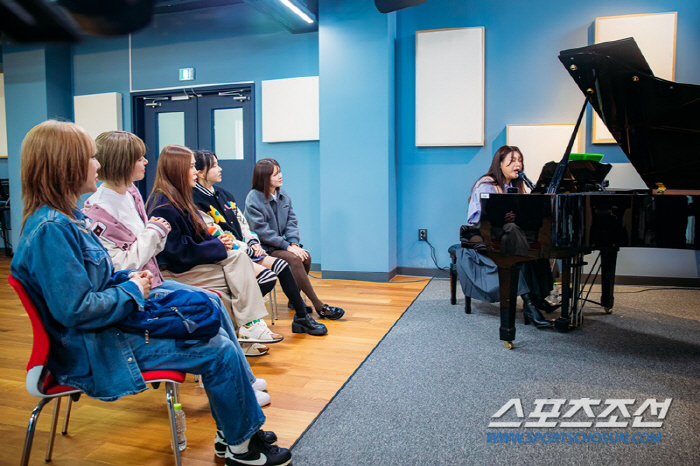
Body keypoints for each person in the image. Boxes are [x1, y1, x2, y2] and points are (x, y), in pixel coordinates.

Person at [10, 120, 291, 465]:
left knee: (210, 307)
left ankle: (235, 430)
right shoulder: (54, 230)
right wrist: (131, 287)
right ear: (67, 166)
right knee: (217, 350)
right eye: (91, 158)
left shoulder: (64, 220)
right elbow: (78, 310)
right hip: (94, 349)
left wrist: (129, 283)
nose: (97, 165)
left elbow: (94, 284)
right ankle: (240, 445)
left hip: (107, 328)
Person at [83, 132, 271, 372]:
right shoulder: (120, 206)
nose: (146, 162)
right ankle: (241, 342)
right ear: (124, 161)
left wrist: (212, 240)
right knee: (222, 291)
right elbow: (152, 255)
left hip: (157, 277)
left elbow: (168, 241)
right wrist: (155, 233)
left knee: (228, 285)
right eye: (140, 158)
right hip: (157, 280)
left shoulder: (132, 193)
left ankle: (243, 345)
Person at [145, 145, 284, 346]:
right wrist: (217, 246)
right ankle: (246, 330)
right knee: (234, 275)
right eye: (192, 167)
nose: (195, 172)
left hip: (189, 264)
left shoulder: (179, 197)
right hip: (175, 271)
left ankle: (243, 333)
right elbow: (178, 252)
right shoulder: (163, 204)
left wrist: (217, 241)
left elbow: (198, 233)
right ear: (177, 169)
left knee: (237, 266)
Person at [192, 150, 327, 336]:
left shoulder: (225, 195)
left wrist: (254, 241)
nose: (220, 168)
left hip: (248, 248)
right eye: (214, 165)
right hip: (229, 253)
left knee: (285, 265)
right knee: (281, 267)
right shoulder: (195, 199)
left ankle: (301, 317)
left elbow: (243, 224)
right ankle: (245, 322)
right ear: (199, 172)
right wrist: (253, 246)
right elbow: (217, 232)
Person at [458, 145, 557, 328]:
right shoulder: (486, 184)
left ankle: (538, 297)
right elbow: (474, 218)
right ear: (500, 164)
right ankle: (529, 304)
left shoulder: (516, 185)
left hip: (512, 235)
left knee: (537, 238)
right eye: (512, 161)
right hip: (489, 236)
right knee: (513, 233)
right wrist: (501, 216)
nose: (517, 164)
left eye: (519, 160)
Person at [245, 158, 346, 328]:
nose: (280, 176)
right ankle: (319, 305)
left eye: (280, 171)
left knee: (305, 257)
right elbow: (262, 231)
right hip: (264, 248)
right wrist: (288, 247)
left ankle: (295, 300)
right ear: (264, 177)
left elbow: (292, 222)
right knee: (295, 259)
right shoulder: (253, 198)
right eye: (275, 174)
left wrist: (294, 244)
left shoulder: (283, 195)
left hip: (282, 245)